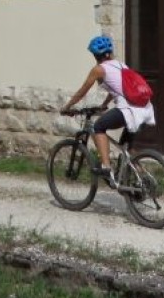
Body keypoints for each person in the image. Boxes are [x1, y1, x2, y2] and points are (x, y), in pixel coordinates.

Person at [60, 35, 156, 185]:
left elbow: (82, 91)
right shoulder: (121, 65)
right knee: (127, 150)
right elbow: (118, 88)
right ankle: (143, 181)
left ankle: (106, 167)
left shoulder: (98, 70)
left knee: (99, 126)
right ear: (109, 52)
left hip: (128, 111)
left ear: (94, 55)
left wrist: (67, 107)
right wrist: (105, 104)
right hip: (145, 110)